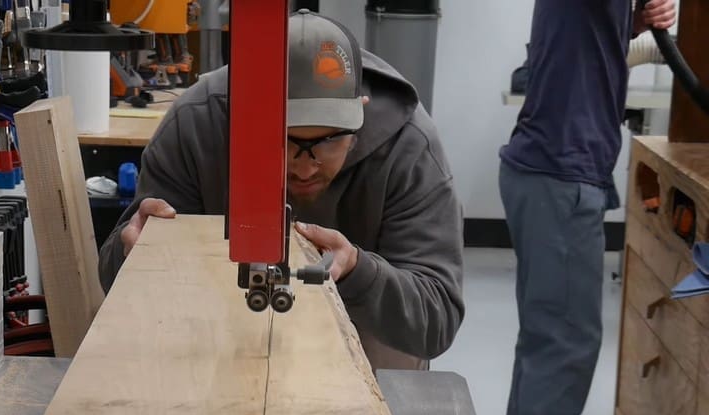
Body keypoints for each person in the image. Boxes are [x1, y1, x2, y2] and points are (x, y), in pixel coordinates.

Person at [98, 9, 465, 372]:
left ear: (360, 114)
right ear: (241, 114)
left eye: (328, 142)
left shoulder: (409, 147)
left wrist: (358, 272)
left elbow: (436, 320)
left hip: (363, 340)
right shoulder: (197, 123)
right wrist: (131, 255)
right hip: (216, 331)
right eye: (283, 140)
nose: (304, 167)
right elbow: (113, 277)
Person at [496, 0, 676, 415]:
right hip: (559, 174)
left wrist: (632, 23)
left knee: (553, 336)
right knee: (564, 339)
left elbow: (588, 51)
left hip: (563, 171)